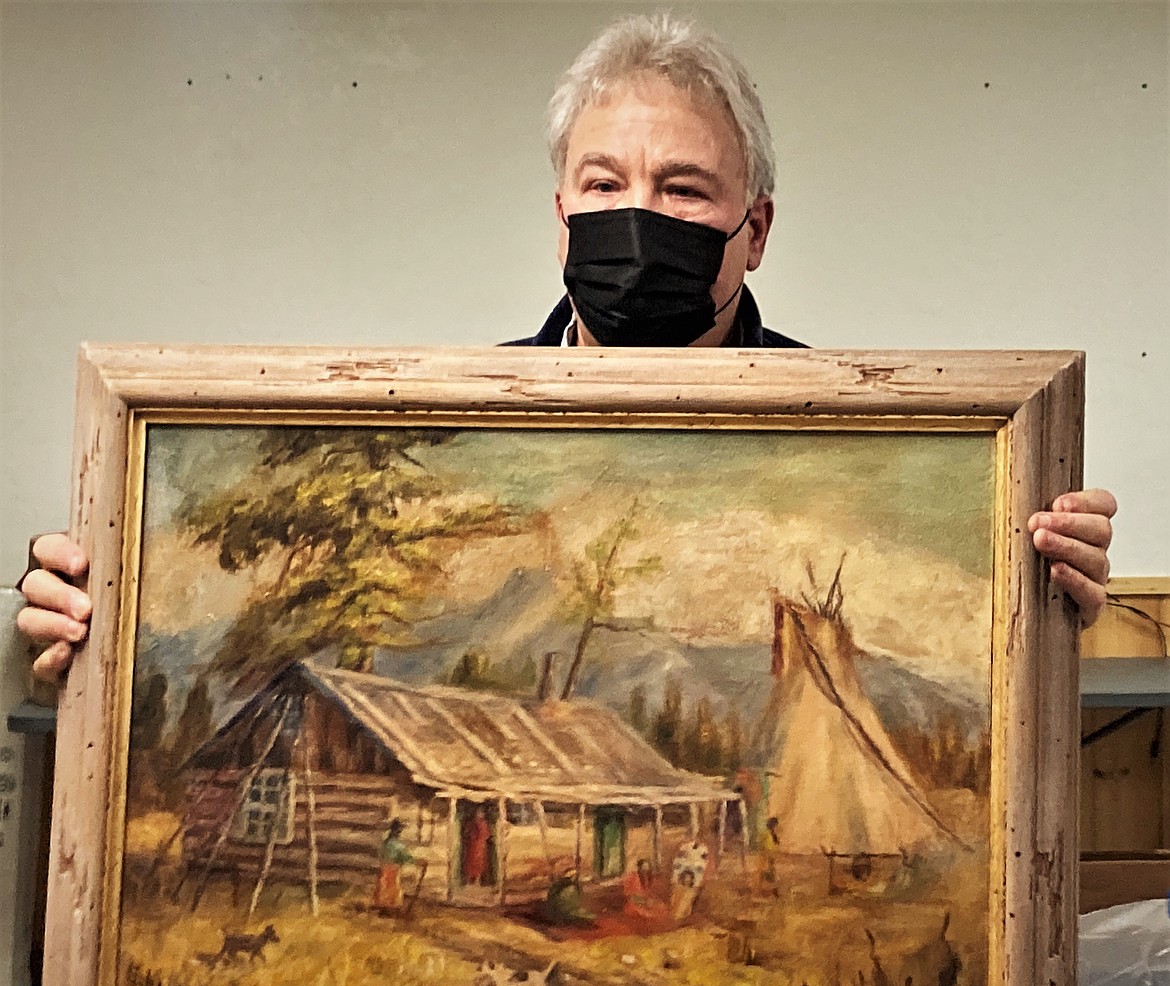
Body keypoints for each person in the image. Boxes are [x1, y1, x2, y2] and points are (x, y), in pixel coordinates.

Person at [14, 13, 1116, 682]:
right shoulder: (444, 433)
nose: (638, 217)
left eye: (684, 189)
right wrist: (115, 592)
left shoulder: (883, 444)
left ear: (757, 227)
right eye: (605, 185)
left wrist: (1032, 589)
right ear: (560, 212)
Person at [374, 817, 419, 915]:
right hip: (393, 868)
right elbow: (405, 857)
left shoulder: (385, 843)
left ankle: (384, 907)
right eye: (399, 830)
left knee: (384, 887)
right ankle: (390, 908)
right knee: (392, 888)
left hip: (384, 867)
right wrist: (411, 860)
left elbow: (381, 854)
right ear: (397, 831)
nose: (400, 832)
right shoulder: (398, 845)